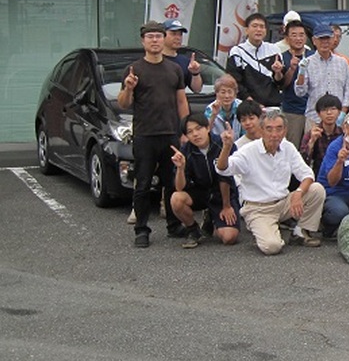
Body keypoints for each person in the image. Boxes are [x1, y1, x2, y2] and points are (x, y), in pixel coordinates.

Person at [118, 20, 190, 248]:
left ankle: (173, 225)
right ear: (143, 41)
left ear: (164, 39)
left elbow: (181, 100)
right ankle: (141, 229)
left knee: (171, 184)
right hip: (145, 135)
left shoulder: (175, 69)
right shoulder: (134, 70)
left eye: (159, 36)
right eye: (150, 37)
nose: (155, 41)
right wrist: (129, 87)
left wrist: (185, 129)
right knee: (143, 184)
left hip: (170, 134)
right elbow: (123, 104)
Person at [215, 109, 326, 255]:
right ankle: (261, 230)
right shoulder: (249, 151)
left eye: (279, 129)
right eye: (269, 129)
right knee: (272, 247)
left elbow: (307, 174)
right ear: (261, 130)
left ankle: (300, 232)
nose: (274, 134)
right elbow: (223, 169)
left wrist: (298, 193)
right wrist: (227, 147)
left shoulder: (288, 147)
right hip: (258, 208)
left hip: (283, 202)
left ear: (285, 130)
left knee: (316, 189)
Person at [169, 113, 240, 248]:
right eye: (190, 132)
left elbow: (226, 177)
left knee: (229, 237)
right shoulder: (186, 150)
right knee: (176, 199)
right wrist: (180, 168)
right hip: (200, 192)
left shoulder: (222, 143)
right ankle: (193, 229)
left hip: (223, 194)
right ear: (186, 136)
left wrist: (226, 206)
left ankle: (213, 220)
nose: (195, 134)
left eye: (198, 128)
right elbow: (179, 187)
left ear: (208, 128)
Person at [294, 23, 349, 129]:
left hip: (338, 119)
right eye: (321, 39)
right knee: (311, 145)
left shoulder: (342, 62)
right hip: (314, 119)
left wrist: (342, 113)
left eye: (327, 38)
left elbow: (348, 90)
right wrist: (301, 72)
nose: (325, 42)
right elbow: (300, 92)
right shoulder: (308, 62)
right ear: (314, 41)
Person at [226, 12, 285, 107]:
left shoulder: (274, 50)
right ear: (246, 30)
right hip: (247, 106)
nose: (258, 30)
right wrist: (251, 102)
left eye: (262, 26)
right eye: (255, 26)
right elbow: (235, 82)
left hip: (273, 106)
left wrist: (278, 72)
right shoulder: (237, 52)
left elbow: (280, 82)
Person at [279, 19, 314, 148]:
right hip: (292, 111)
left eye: (301, 35)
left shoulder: (313, 56)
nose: (298, 38)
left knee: (311, 148)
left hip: (313, 111)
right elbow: (281, 85)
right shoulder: (282, 57)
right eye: (294, 35)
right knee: (292, 147)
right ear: (287, 38)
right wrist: (292, 68)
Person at [300, 94, 344, 175]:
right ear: (318, 114)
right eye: (324, 110)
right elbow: (302, 163)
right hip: (319, 174)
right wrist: (312, 142)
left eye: (333, 109)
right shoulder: (312, 133)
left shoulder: (343, 134)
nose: (329, 113)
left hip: (339, 174)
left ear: (339, 112)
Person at [161, 18, 203, 93]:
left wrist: (195, 73)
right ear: (162, 36)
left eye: (180, 34)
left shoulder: (185, 61)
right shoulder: (155, 58)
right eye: (173, 34)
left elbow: (197, 89)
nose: (178, 38)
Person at [204, 75, 243, 142]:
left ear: (235, 93)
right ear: (217, 93)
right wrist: (214, 115)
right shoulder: (210, 109)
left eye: (230, 92)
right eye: (223, 92)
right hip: (218, 144)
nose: (227, 96)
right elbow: (205, 132)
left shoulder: (241, 106)